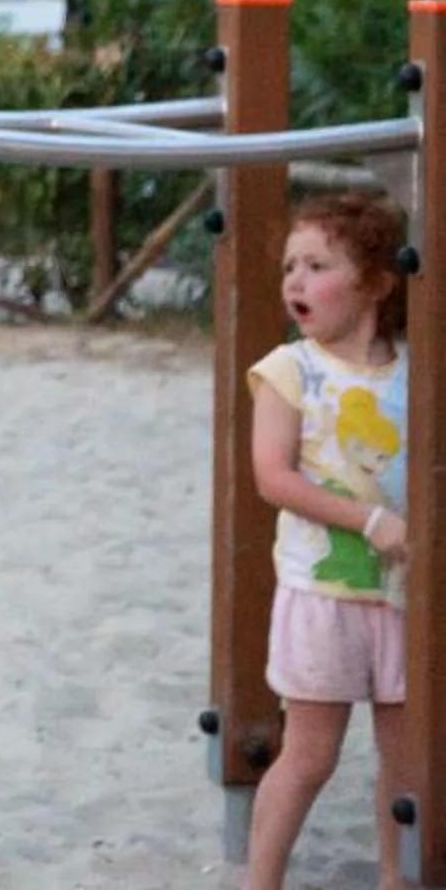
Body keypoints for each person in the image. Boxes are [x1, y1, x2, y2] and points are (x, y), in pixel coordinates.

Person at [244, 187, 413, 890]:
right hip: (323, 593)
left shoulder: (417, 369)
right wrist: (371, 522)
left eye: (317, 266)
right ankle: (260, 882)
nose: (295, 282)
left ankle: (396, 880)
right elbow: (273, 478)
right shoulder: (292, 371)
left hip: (407, 593)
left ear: (375, 282)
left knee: (408, 763)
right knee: (310, 755)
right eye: (291, 267)